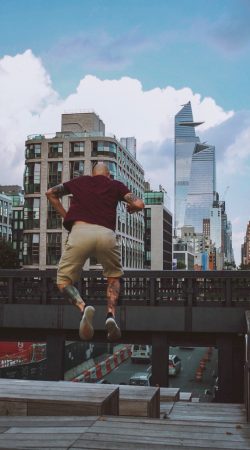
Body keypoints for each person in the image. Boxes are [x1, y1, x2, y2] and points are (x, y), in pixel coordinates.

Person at [46, 162, 144, 341]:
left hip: (80, 232)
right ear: (108, 175)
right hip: (106, 235)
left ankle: (84, 308)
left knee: (63, 281)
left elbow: (50, 193)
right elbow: (139, 203)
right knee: (113, 277)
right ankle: (110, 315)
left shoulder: (80, 181)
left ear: (93, 174)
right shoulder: (115, 185)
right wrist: (133, 208)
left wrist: (66, 216)